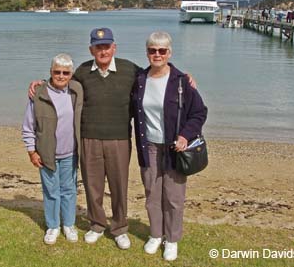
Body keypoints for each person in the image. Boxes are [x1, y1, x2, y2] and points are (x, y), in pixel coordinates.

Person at [28, 28, 195, 250]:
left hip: (119, 140)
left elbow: (157, 74)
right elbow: (61, 82)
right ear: (91, 49)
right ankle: (97, 224)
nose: (103, 50)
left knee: (119, 187)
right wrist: (41, 82)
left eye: (107, 46)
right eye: (98, 47)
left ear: (114, 48)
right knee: (93, 187)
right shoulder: (83, 72)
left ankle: (119, 228)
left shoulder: (130, 70)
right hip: (89, 139)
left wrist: (183, 77)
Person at [131, 31, 207, 261]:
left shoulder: (182, 81)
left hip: (175, 149)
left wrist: (185, 135)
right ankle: (155, 234)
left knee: (174, 197)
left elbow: (199, 112)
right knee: (152, 194)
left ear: (169, 53)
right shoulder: (140, 80)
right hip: (149, 146)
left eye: (161, 51)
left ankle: (172, 239)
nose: (157, 54)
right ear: (147, 53)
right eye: (152, 50)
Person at [22, 53, 83, 245]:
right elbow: (28, 126)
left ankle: (69, 224)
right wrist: (32, 151)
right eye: (57, 72)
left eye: (66, 72)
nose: (61, 76)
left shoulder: (76, 90)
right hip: (47, 154)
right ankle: (53, 226)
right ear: (51, 72)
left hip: (70, 153)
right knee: (51, 191)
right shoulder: (39, 93)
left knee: (69, 190)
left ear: (71, 74)